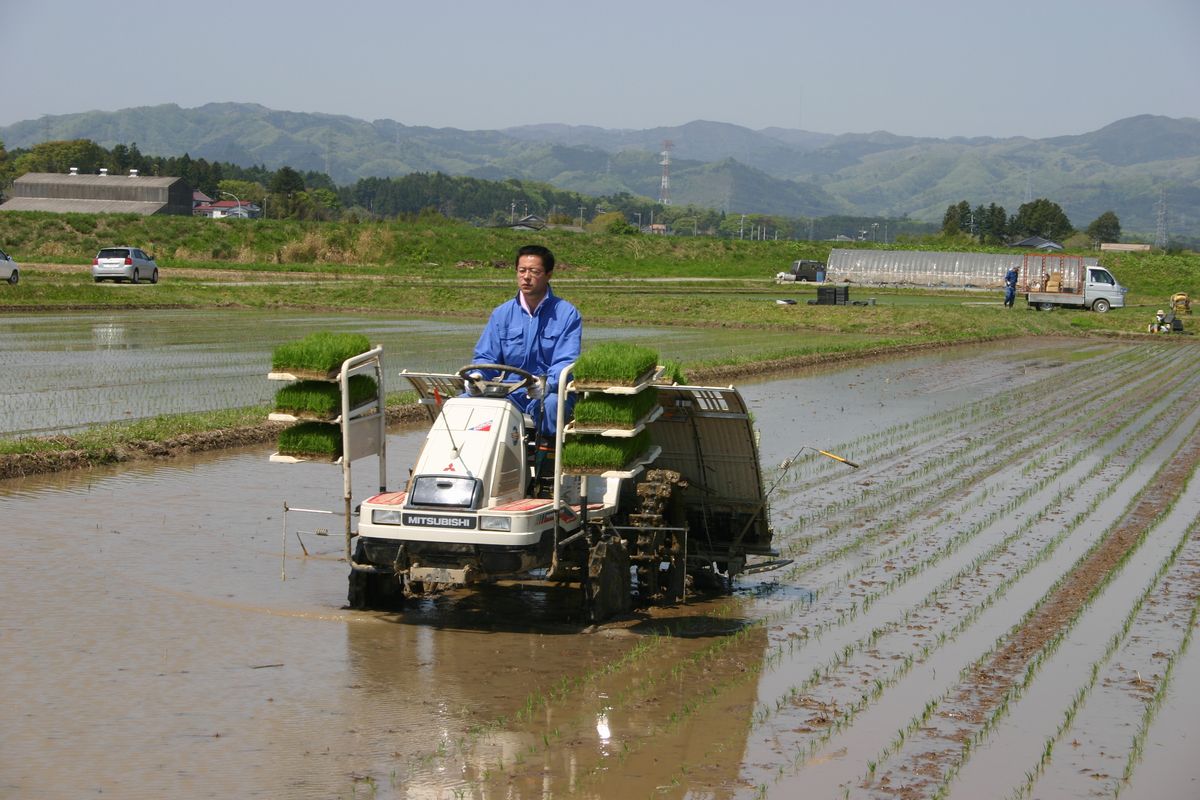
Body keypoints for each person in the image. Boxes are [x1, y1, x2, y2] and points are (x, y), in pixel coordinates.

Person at [470, 244, 582, 437]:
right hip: (510, 392)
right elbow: (486, 355)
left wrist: (546, 384)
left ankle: (548, 462)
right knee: (464, 403)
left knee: (552, 405)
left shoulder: (566, 314)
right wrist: (477, 376)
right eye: (522, 271)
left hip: (546, 393)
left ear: (548, 275)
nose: (526, 276)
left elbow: (566, 360)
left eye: (534, 271)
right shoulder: (502, 314)